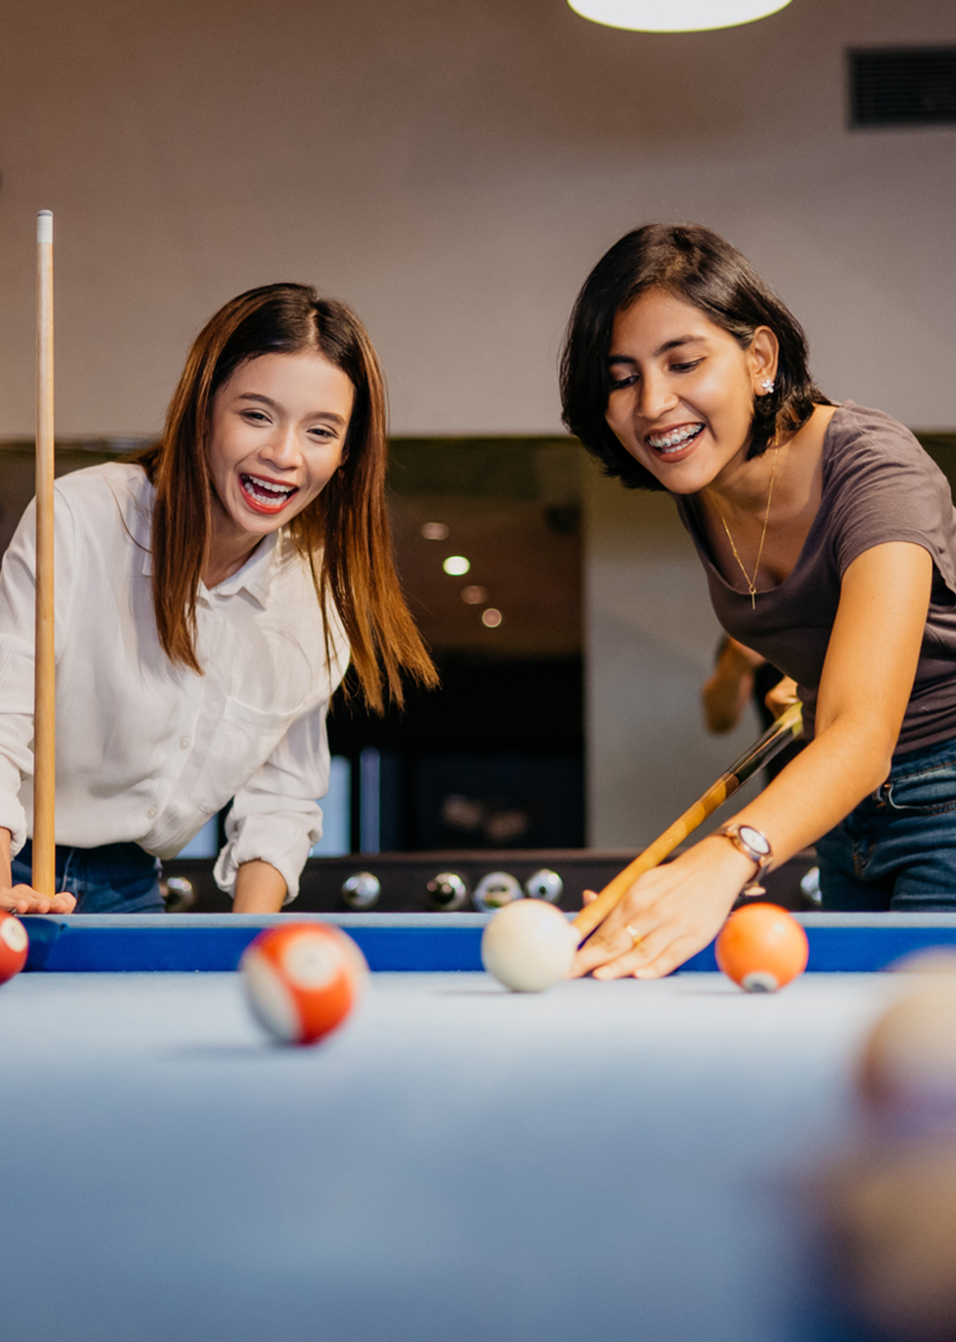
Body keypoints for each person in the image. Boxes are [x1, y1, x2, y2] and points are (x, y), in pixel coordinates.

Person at [561, 223, 956, 979]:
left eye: (683, 362)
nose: (652, 403)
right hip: (843, 816)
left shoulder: (878, 474)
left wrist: (723, 859)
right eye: (621, 377)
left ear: (760, 358)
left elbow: (861, 732)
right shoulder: (704, 481)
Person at [0, 284, 436, 915]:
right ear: (203, 412)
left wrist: (242, 944)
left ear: (345, 456)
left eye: (320, 431)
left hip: (130, 885)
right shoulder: (80, 520)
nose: (284, 455)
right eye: (256, 415)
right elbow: (4, 721)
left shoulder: (313, 600)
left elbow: (281, 800)